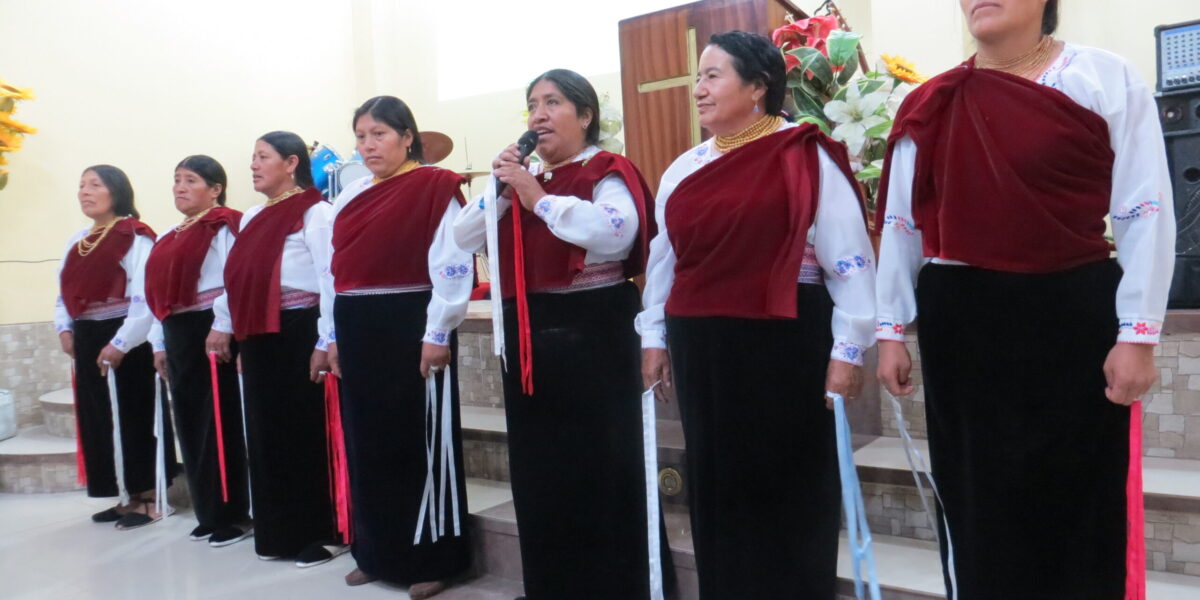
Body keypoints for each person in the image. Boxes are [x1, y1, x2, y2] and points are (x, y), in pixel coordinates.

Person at [874, 1, 1174, 597]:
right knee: (978, 504)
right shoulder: (930, 102)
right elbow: (904, 224)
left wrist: (1137, 333)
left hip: (1069, 317)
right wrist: (888, 329)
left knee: (1077, 503)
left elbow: (1145, 207)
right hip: (964, 324)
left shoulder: (1103, 77)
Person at [636, 31, 876, 599]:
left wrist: (848, 348)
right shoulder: (684, 168)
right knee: (718, 484)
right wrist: (654, 335)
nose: (698, 88)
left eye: (713, 75)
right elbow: (664, 260)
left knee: (786, 484)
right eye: (697, 76)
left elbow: (849, 260)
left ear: (759, 86)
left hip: (783, 343)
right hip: (702, 346)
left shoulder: (805, 153)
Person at [453, 68, 672, 599]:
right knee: (542, 469)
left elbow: (616, 234)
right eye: (532, 105)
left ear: (586, 115)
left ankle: (618, 587)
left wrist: (538, 198)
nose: (538, 115)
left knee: (605, 464)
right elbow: (462, 238)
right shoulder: (519, 181)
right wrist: (505, 191)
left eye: (552, 103)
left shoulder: (605, 169)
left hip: (595, 332)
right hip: (530, 340)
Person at [325, 96, 473, 597]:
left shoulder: (435, 187)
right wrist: (331, 336)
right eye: (361, 136)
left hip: (410, 322)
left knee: (419, 440)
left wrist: (436, 333)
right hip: (358, 325)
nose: (368, 145)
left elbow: (452, 264)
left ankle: (434, 558)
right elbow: (334, 274)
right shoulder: (349, 196)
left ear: (408, 136)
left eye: (379, 134)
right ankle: (378, 551)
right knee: (368, 441)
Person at [217, 131, 344, 566]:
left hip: (299, 330)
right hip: (260, 335)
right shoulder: (252, 216)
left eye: (262, 157)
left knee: (304, 432)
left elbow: (331, 279)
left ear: (292, 163)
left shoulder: (316, 212)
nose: (253, 165)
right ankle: (280, 532)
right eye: (252, 157)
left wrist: (326, 340)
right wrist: (228, 327)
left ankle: (324, 530)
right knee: (267, 434)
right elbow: (236, 277)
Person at [55, 164, 179, 529]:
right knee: (101, 420)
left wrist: (121, 343)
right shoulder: (76, 241)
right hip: (88, 337)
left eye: (95, 185)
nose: (85, 191)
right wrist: (64, 328)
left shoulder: (135, 237)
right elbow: (63, 291)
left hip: (128, 338)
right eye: (81, 185)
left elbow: (145, 296)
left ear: (117, 192)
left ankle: (151, 498)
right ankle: (125, 494)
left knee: (134, 415)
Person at [144, 155, 251, 546]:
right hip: (178, 333)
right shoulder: (168, 236)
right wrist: (158, 342)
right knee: (189, 423)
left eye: (190, 180)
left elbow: (234, 279)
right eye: (176, 180)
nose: (180, 187)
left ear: (216, 189)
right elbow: (155, 296)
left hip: (212, 329)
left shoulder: (224, 226)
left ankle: (233, 512)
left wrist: (223, 326)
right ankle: (208, 511)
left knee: (220, 422)